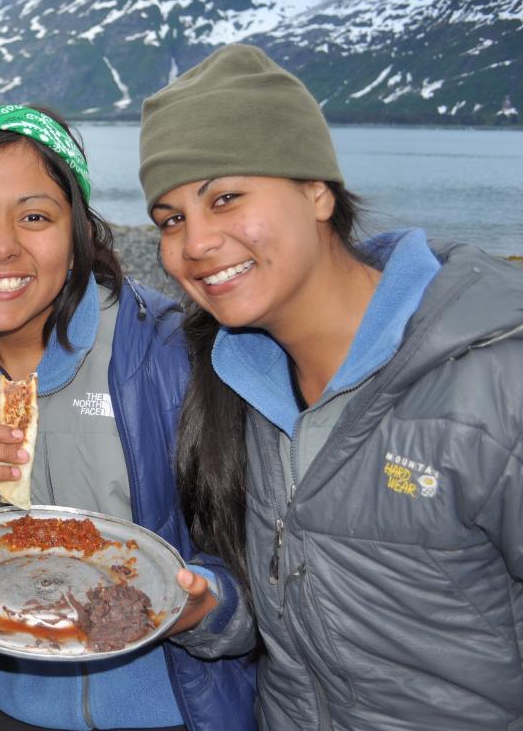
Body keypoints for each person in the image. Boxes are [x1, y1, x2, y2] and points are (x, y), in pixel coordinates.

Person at [140, 43, 523, 729]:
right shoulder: (237, 381)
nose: (194, 244)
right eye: (170, 219)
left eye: (224, 197)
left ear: (317, 188)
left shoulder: (495, 377)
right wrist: (210, 611)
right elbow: (303, 601)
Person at [0, 103, 256, 731]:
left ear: (79, 236)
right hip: (3, 716)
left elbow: (264, 585)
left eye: (36, 216)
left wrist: (205, 607)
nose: (0, 245)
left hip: (177, 713)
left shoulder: (172, 357)